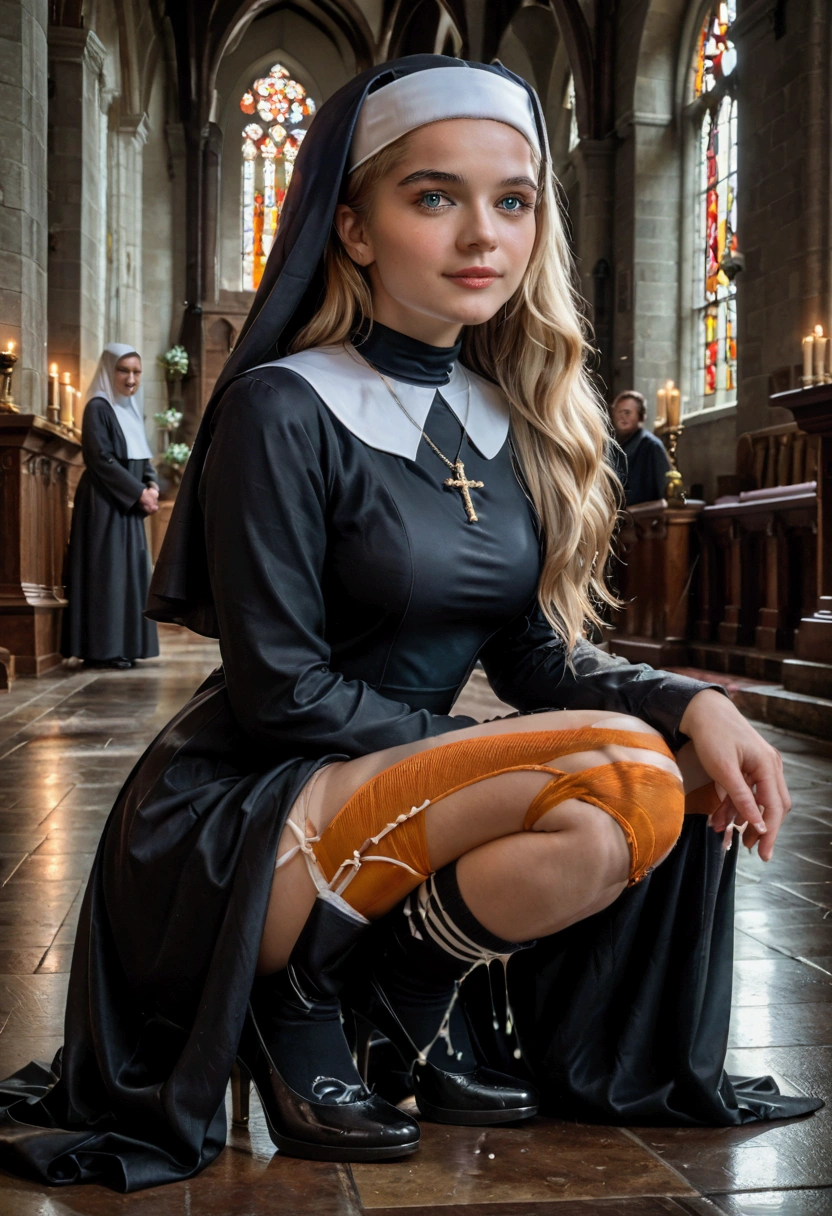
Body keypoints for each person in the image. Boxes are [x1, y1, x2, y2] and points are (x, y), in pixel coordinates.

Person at [0, 56, 818, 1193]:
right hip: (247, 812)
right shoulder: (280, 405)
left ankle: (395, 1000)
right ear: (353, 226)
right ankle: (292, 994)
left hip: (406, 791)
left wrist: (697, 700)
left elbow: (534, 658)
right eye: (434, 196)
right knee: (617, 772)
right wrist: (489, 752)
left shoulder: (512, 418)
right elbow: (282, 691)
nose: (482, 232)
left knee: (634, 803)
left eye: (512, 199)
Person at [61, 344, 160, 669]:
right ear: (108, 371)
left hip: (128, 504)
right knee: (107, 575)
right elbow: (100, 458)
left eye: (136, 372)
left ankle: (127, 645)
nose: (131, 379)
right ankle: (102, 648)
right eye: (124, 370)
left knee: (129, 575)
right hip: (104, 504)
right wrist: (138, 492)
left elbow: (141, 456)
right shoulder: (98, 408)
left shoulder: (129, 409)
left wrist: (151, 484)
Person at [610, 390, 672, 506]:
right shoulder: (612, 447)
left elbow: (666, 492)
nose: (623, 417)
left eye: (627, 412)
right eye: (619, 412)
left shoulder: (651, 446)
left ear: (641, 417)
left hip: (643, 518)